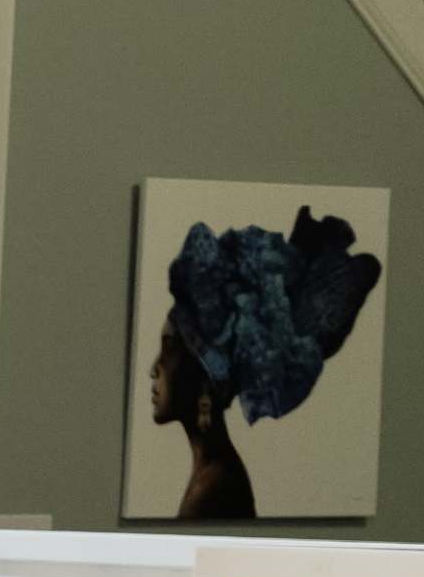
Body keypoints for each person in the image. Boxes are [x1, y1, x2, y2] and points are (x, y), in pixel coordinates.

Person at [144, 205, 382, 523]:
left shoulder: (214, 488)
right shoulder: (213, 474)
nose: (153, 368)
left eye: (169, 349)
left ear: (205, 376)